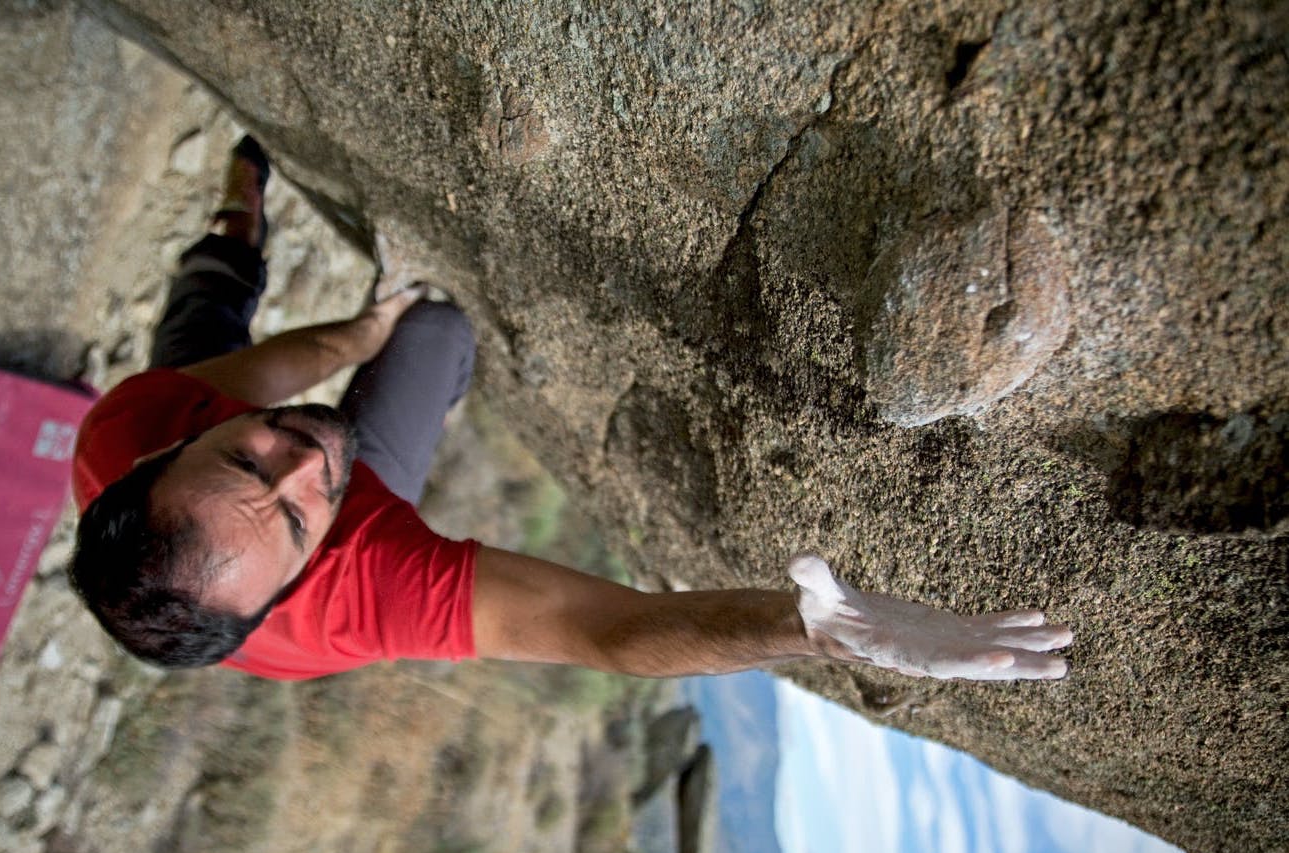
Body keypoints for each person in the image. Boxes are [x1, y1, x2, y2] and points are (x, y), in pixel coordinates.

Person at [69, 136, 1073, 684]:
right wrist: (804, 628)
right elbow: (607, 631)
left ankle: (235, 211)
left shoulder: (125, 430)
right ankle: (294, 285)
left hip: (186, 407)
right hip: (336, 522)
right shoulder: (368, 587)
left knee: (213, 322)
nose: (299, 464)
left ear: (170, 456)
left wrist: (352, 337)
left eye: (246, 463)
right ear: (299, 576)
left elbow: (277, 377)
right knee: (438, 335)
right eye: (291, 514)